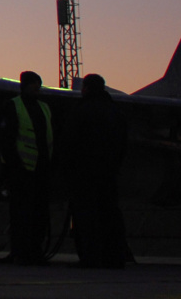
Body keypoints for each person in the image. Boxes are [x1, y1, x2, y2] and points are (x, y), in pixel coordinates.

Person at [69, 73, 130, 268]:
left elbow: (71, 142)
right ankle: (115, 257)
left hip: (85, 173)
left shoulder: (81, 111)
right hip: (109, 172)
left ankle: (90, 257)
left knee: (87, 215)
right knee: (111, 213)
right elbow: (123, 143)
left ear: (86, 88)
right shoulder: (116, 112)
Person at [0, 70, 54, 265]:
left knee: (39, 214)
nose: (36, 89)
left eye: (38, 85)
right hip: (21, 171)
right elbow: (7, 140)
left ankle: (34, 251)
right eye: (33, 85)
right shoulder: (13, 106)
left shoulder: (44, 108)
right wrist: (14, 167)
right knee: (20, 214)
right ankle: (20, 251)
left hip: (41, 170)